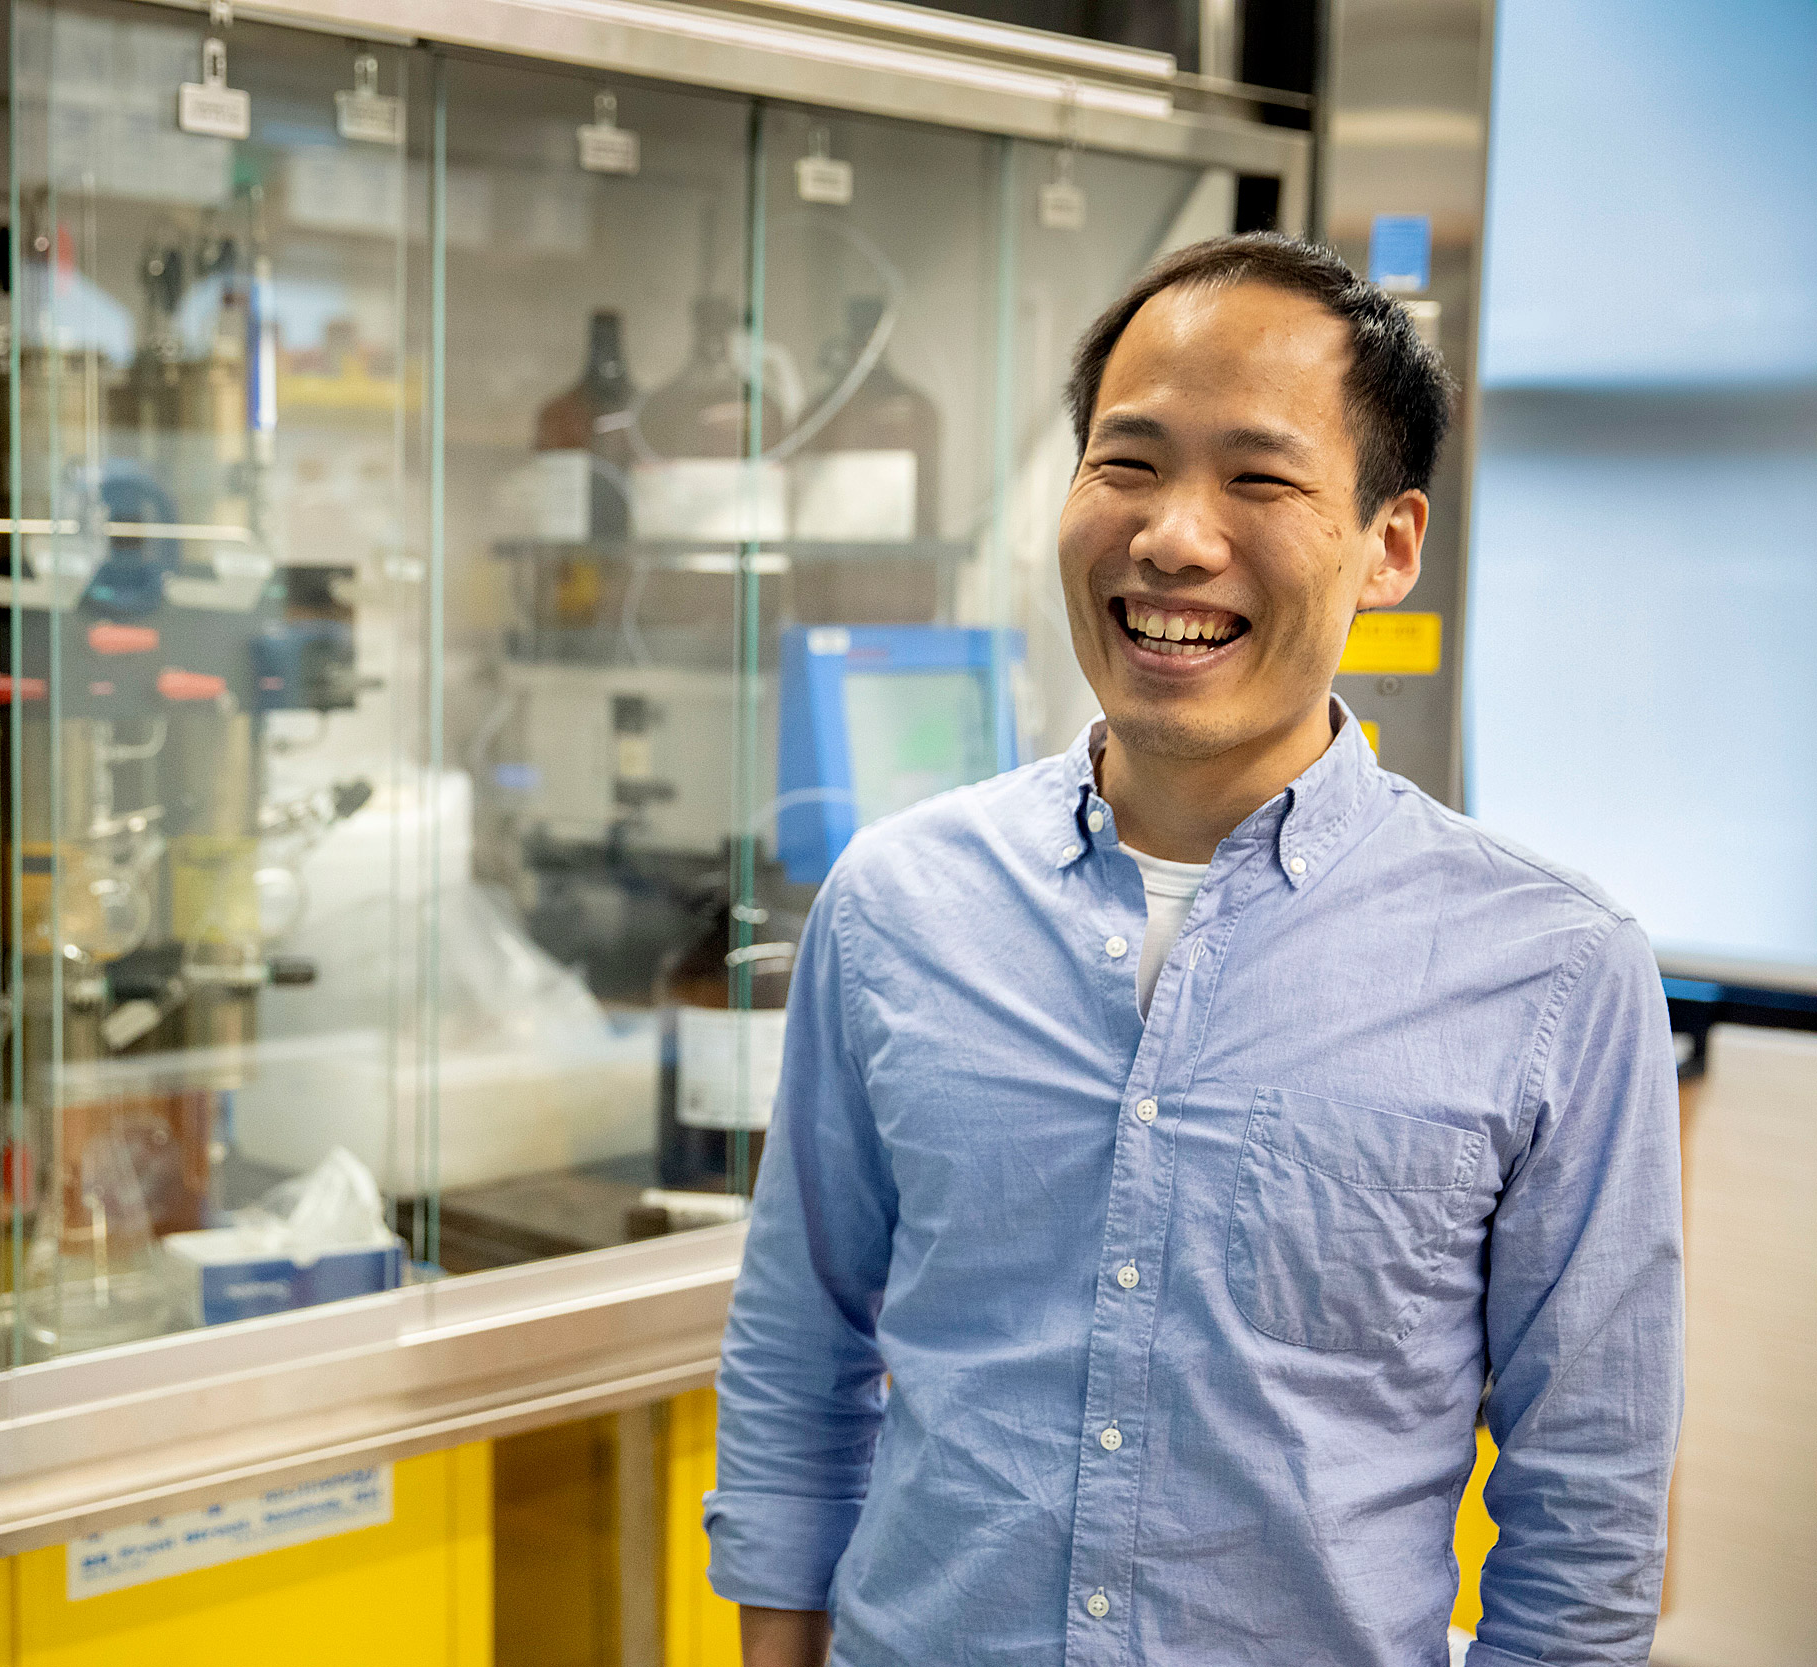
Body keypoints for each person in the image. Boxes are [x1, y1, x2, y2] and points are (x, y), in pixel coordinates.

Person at [706, 233, 1682, 1667]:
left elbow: (1587, 1509)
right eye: (1129, 462)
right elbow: (801, 1355)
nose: (1173, 535)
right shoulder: (897, 904)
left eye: (1260, 477)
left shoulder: (1554, 970)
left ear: (1390, 543)